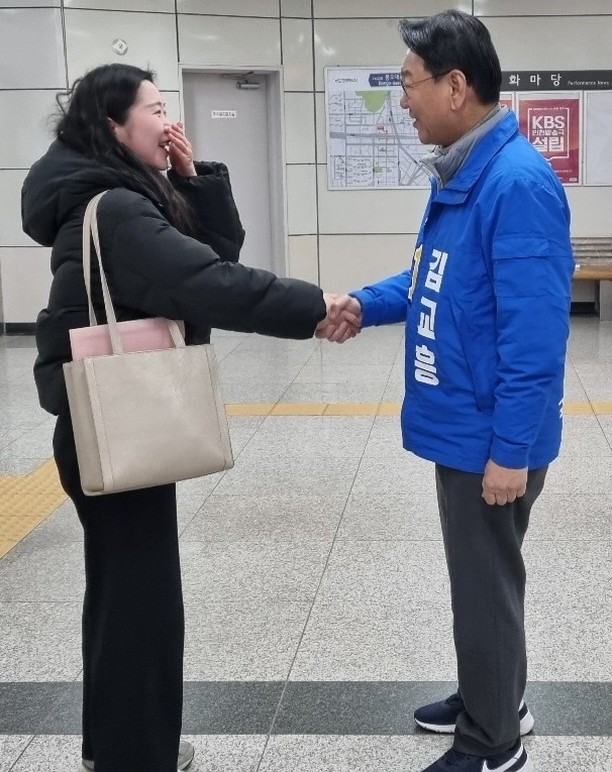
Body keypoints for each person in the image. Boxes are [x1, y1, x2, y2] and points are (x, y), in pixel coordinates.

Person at [21, 63, 336, 772]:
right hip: (119, 418)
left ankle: (112, 746)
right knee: (142, 600)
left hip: (109, 418)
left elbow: (211, 256)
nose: (170, 122)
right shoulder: (117, 207)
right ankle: (136, 756)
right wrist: (316, 306)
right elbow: (209, 284)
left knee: (120, 589)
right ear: (113, 125)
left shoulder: (119, 194)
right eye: (156, 109)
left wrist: (192, 179)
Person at [318, 10, 574, 772]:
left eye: (410, 84)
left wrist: (510, 452)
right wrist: (365, 304)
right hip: (466, 425)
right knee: (481, 583)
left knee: (485, 585)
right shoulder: (467, 172)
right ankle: (496, 698)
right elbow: (433, 278)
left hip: (490, 436)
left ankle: (493, 744)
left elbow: (536, 339)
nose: (403, 101)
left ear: (456, 86)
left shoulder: (515, 184)